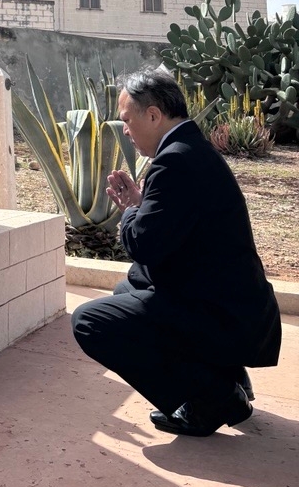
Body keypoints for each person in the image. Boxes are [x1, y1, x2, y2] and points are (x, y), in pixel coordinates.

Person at [71, 68, 282, 437]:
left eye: (127, 120)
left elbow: (143, 246)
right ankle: (226, 376)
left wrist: (131, 211)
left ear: (153, 115)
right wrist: (141, 204)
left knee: (90, 322)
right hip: (237, 310)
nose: (125, 130)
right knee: (127, 288)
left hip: (225, 319)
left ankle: (214, 399)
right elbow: (172, 233)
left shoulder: (175, 161)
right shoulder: (190, 149)